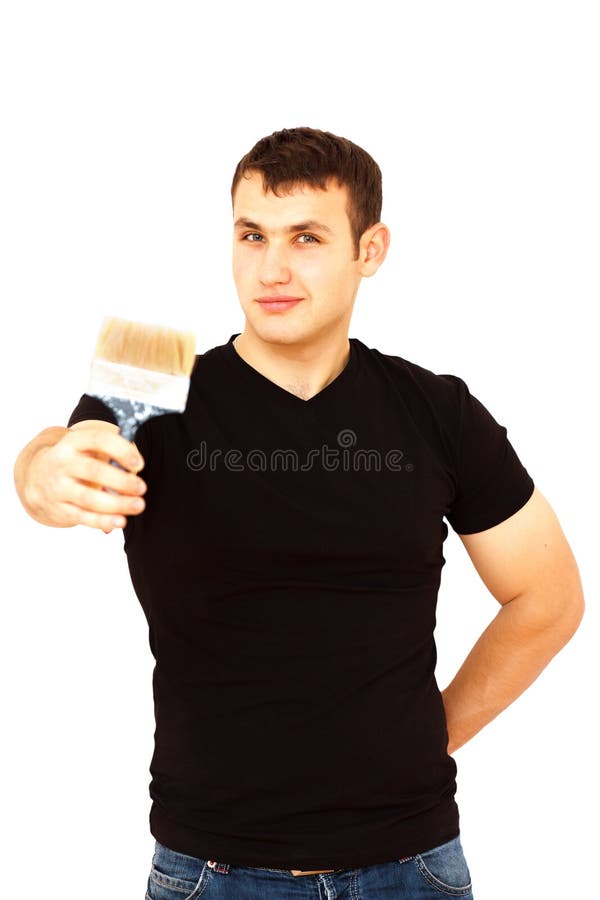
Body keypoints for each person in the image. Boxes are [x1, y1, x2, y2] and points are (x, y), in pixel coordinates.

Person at [14, 126, 584, 900]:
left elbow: (548, 597)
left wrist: (429, 740)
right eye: (252, 235)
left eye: (306, 237)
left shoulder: (437, 409)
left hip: (412, 865)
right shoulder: (153, 380)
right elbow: (65, 449)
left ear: (370, 249)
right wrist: (39, 470)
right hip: (208, 869)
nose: (271, 268)